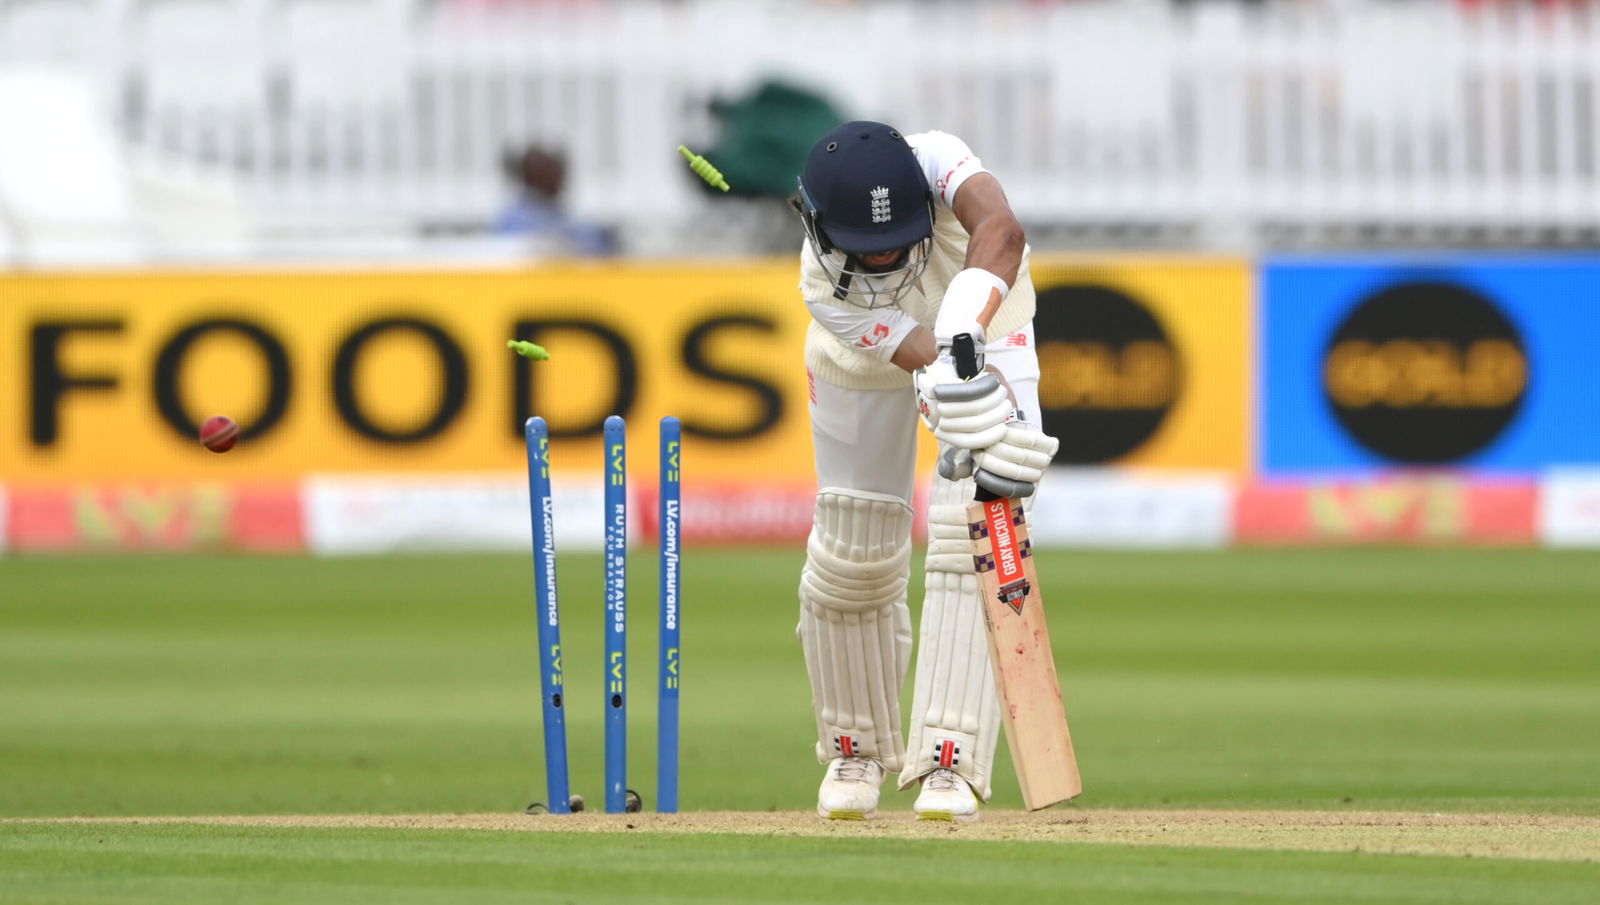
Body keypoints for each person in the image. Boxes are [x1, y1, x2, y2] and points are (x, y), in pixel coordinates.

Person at [791, 121, 1059, 822]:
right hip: (877, 360)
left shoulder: (937, 158)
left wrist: (968, 325)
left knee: (973, 525)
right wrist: (947, 381)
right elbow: (919, 356)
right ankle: (854, 747)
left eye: (898, 236)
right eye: (865, 247)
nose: (884, 253)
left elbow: (1001, 227)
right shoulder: (823, 285)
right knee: (852, 545)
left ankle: (952, 757)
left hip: (988, 317)